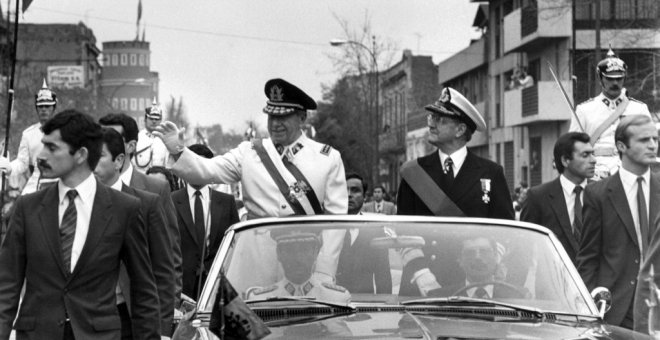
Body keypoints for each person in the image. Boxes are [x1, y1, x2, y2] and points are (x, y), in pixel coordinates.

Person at [154, 78, 347, 286]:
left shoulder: (327, 158)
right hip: (255, 265)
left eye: (283, 117)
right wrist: (177, 149)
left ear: (302, 118)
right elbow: (207, 171)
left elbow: (336, 224)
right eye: (271, 116)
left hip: (306, 267)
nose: (275, 124)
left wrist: (324, 272)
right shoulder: (250, 152)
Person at [0, 110, 160, 340]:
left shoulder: (124, 209)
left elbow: (144, 291)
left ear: (81, 154)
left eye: (52, 148)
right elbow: (6, 286)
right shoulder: (27, 208)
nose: (41, 156)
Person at [396, 86, 514, 296]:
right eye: (432, 116)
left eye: (440, 120)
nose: (431, 123)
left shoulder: (491, 173)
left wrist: (489, 267)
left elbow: (505, 232)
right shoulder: (414, 172)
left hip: (473, 282)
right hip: (421, 283)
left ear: (460, 130)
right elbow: (402, 233)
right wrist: (421, 274)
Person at [577, 114, 660, 329]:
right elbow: (588, 257)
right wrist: (589, 311)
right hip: (616, 310)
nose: (653, 145)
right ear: (621, 146)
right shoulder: (598, 194)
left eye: (655, 139)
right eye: (644, 140)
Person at [94, 127, 176, 338]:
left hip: (129, 317)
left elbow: (164, 273)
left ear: (119, 160)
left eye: (99, 155)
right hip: (85, 319)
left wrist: (163, 330)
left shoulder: (146, 205)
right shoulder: (76, 205)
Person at [99, 113, 183, 306]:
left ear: (130, 146)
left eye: (112, 137)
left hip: (138, 312)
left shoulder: (155, 190)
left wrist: (165, 322)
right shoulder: (87, 191)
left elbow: (170, 260)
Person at [569, 48, 651, 180]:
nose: (615, 83)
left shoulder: (639, 109)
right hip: (596, 173)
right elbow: (573, 147)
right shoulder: (584, 110)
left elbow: (648, 143)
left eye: (619, 78)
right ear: (600, 78)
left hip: (631, 171)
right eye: (610, 78)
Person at [170, 144, 239, 299]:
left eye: (201, 167)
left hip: (218, 285)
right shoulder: (171, 201)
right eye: (192, 166)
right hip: (181, 287)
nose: (196, 172)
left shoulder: (226, 202)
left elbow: (235, 245)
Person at [521, 132, 596, 264]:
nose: (593, 160)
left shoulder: (602, 193)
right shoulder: (538, 197)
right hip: (554, 279)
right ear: (565, 161)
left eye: (592, 154)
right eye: (585, 155)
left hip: (594, 281)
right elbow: (524, 246)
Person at [245, 229, 350, 304]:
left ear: (315, 253)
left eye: (304, 250)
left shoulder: (337, 298)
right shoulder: (260, 300)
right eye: (290, 250)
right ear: (279, 254)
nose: (298, 258)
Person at [0, 79, 59, 194]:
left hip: (61, 179)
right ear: (36, 109)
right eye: (40, 107)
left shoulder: (65, 130)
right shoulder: (29, 134)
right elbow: (22, 162)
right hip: (37, 180)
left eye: (47, 106)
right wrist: (9, 167)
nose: (44, 109)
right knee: (23, 205)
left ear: (54, 108)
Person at [335, 173, 391, 294]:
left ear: (365, 197)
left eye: (355, 191)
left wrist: (385, 306)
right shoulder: (329, 227)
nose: (349, 195)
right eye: (345, 190)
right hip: (331, 303)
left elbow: (383, 274)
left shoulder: (375, 230)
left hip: (365, 303)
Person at [428, 236, 523, 299]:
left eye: (484, 251)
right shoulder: (439, 297)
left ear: (495, 257)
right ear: (460, 260)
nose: (478, 257)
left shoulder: (518, 295)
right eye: (470, 253)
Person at [134, 99, 170, 173]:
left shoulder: (165, 141)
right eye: (151, 118)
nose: (154, 121)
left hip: (159, 181)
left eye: (157, 119)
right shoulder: (137, 138)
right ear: (145, 119)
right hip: (140, 180)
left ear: (161, 121)